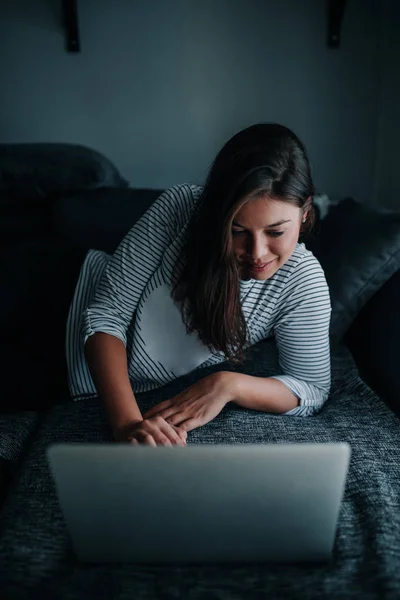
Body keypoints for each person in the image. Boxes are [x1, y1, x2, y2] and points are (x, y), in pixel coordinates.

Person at [66, 123, 331, 447]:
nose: (257, 253)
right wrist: (127, 424)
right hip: (54, 298)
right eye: (237, 231)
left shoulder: (304, 283)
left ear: (304, 213)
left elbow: (311, 388)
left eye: (276, 232)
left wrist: (228, 385)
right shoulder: (183, 208)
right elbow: (108, 314)